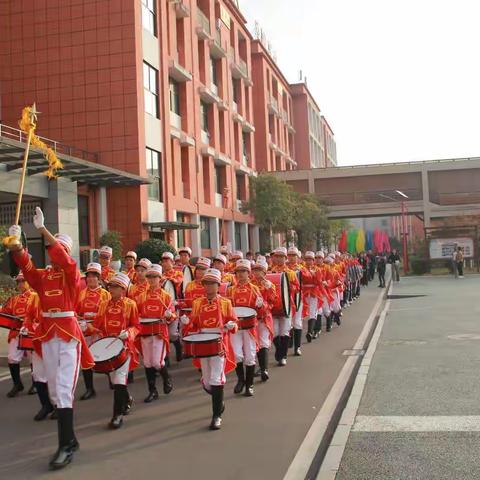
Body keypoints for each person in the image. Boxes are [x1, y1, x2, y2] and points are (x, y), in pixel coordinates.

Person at [7, 207, 94, 470]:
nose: (56, 255)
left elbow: (68, 264)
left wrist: (43, 231)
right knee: (56, 391)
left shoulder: (72, 276)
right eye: (54, 250)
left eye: (61, 250)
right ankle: (72, 439)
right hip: (46, 334)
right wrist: (16, 244)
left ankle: (65, 447)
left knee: (65, 390)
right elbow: (27, 268)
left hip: (67, 334)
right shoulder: (43, 277)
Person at [181, 268, 238, 430]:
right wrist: (187, 322)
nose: (208, 286)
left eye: (212, 283)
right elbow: (194, 323)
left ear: (218, 285)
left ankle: (216, 416)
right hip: (202, 343)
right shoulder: (198, 302)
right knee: (207, 382)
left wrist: (231, 325)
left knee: (216, 378)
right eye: (206, 283)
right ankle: (219, 402)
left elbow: (234, 321)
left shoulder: (226, 303)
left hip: (219, 342)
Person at [89, 272, 139, 429]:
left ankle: (117, 416)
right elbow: (96, 325)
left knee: (119, 379)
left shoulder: (131, 304)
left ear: (123, 289)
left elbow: (137, 326)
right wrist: (87, 327)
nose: (111, 289)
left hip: (124, 347)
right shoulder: (103, 304)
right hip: (107, 348)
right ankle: (128, 398)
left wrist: (128, 333)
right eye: (110, 286)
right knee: (115, 381)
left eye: (115, 286)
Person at [136, 264, 175, 402]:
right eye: (149, 277)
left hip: (159, 332)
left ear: (160, 278)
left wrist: (169, 314)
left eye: (154, 277)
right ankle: (152, 391)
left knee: (157, 362)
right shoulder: (141, 297)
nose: (152, 280)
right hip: (145, 332)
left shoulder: (166, 296)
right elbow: (137, 314)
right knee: (147, 363)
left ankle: (166, 378)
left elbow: (172, 315)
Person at [228, 259, 264, 397]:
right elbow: (227, 308)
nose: (240, 274)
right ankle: (241, 380)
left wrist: (261, 305)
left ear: (249, 273)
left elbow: (262, 311)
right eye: (238, 271)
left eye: (243, 271)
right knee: (237, 355)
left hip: (249, 327)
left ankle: (249, 385)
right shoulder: (230, 290)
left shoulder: (255, 289)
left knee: (250, 356)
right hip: (236, 327)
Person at [76, 262, 110, 400]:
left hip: (100, 331)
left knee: (104, 357)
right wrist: (81, 321)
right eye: (88, 276)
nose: (90, 279)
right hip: (85, 331)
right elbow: (75, 312)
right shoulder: (81, 294)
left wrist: (97, 325)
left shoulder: (106, 295)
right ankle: (90, 388)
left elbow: (109, 313)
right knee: (85, 361)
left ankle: (113, 381)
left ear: (99, 278)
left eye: (93, 276)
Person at [3, 273, 38, 398]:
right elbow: (5, 313)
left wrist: (28, 321)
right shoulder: (14, 299)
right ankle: (17, 384)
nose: (21, 284)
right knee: (12, 358)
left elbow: (39, 315)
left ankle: (36, 384)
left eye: (23, 281)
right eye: (19, 282)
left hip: (30, 332)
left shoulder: (36, 297)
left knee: (33, 359)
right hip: (16, 332)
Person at [269, 247, 299, 366]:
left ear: (285, 258)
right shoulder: (270, 271)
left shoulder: (290, 273)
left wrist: (287, 288)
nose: (279, 259)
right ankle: (279, 351)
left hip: (286, 305)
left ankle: (283, 356)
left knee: (285, 331)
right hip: (273, 306)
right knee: (275, 332)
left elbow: (297, 288)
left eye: (281, 257)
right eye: (277, 256)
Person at [251, 258, 276, 381]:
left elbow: (273, 301)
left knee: (263, 342)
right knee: (256, 343)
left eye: (259, 270)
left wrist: (264, 304)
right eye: (255, 270)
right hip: (252, 318)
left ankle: (264, 369)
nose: (256, 273)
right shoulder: (249, 284)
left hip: (264, 317)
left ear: (264, 272)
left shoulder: (269, 284)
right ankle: (260, 367)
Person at [161, 251, 183, 361]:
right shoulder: (160, 275)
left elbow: (178, 282)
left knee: (172, 333)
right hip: (163, 307)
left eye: (167, 261)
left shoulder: (178, 273)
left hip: (175, 305)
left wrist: (169, 280)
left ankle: (179, 347)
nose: (164, 263)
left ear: (172, 262)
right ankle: (165, 358)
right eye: (163, 261)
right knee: (162, 332)